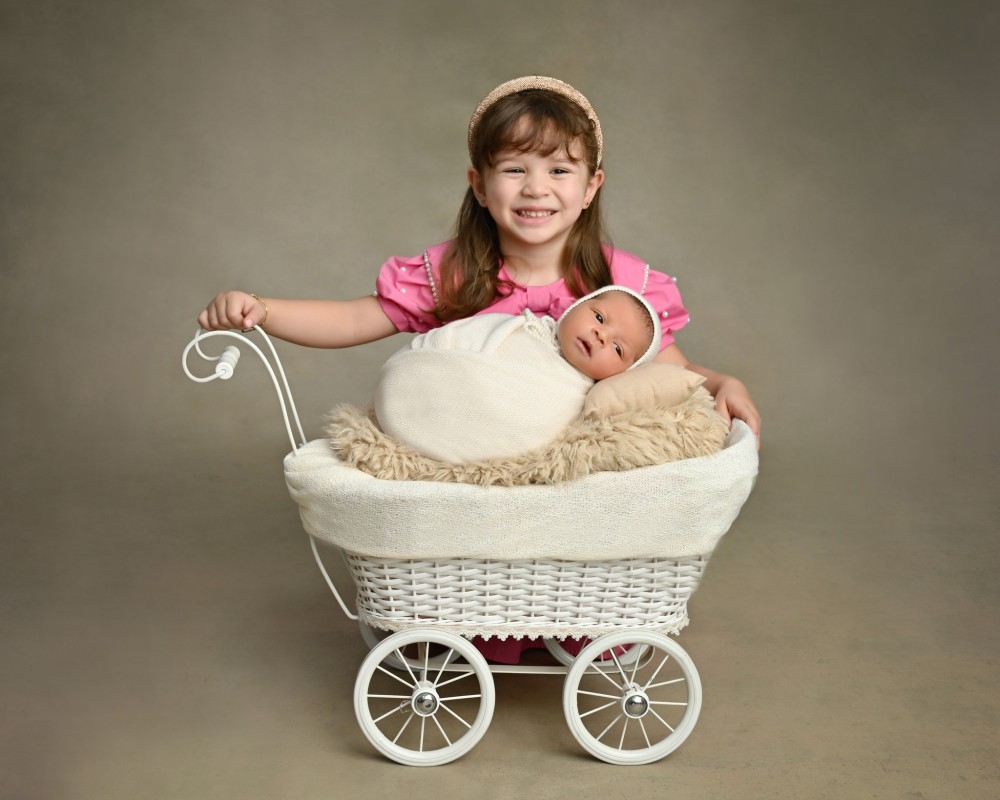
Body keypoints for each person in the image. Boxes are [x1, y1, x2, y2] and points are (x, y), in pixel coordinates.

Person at [198, 75, 761, 442]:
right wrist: (262, 309)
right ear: (480, 186)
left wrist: (721, 382)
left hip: (570, 466)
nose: (536, 188)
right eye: (515, 169)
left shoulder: (620, 283)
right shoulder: (455, 274)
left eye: (559, 170)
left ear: (591, 187)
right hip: (472, 455)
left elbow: (670, 370)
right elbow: (350, 320)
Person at [374, 286, 659, 463]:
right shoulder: (519, 327)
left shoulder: (582, 397)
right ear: (576, 306)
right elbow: (451, 337)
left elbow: (538, 430)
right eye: (598, 317)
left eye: (618, 348)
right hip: (419, 392)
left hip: (487, 436)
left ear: (623, 372)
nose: (601, 335)